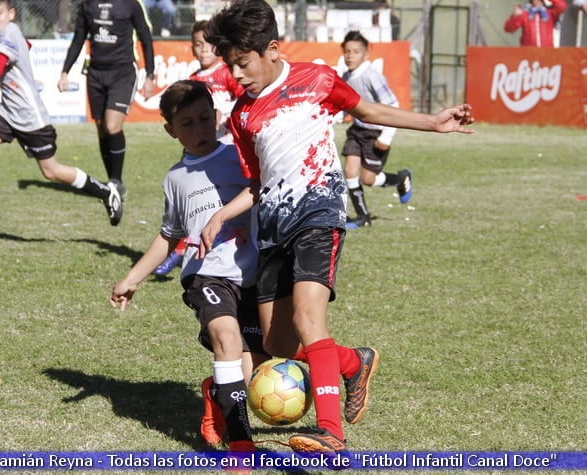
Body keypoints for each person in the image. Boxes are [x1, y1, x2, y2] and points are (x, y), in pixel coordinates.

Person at [199, 0, 474, 453]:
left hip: (318, 214)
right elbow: (258, 182)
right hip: (273, 227)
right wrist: (222, 214)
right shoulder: (242, 115)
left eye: (242, 63)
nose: (237, 75)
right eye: (230, 66)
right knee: (278, 342)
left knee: (310, 319)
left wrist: (432, 122)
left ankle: (331, 431)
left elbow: (366, 110)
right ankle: (352, 362)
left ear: (270, 49)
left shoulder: (317, 80)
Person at [110, 80, 269, 454]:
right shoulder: (175, 179)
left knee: (253, 364)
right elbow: (168, 236)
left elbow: (262, 189)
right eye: (187, 123)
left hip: (252, 274)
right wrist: (131, 278)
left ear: (216, 117)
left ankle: (216, 392)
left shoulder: (238, 157)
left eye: (204, 119)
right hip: (205, 275)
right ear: (170, 130)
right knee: (227, 340)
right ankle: (241, 444)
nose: (198, 129)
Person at [0, 0, 119, 231]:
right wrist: (25, 74)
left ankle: (106, 191)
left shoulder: (8, 33)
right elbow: (25, 46)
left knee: (52, 171)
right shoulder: (4, 33)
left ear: (11, 14)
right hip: (8, 113)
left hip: (31, 119)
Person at [153, 20, 246, 276]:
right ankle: (182, 249)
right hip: (199, 148)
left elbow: (243, 98)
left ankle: (195, 249)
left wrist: (228, 113)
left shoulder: (227, 72)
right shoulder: (192, 80)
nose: (203, 50)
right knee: (198, 202)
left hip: (225, 143)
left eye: (208, 44)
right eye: (197, 45)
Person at [57, 0, 157, 226]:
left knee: (112, 125)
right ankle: (112, 182)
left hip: (123, 72)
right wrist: (65, 71)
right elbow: (78, 38)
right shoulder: (87, 5)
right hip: (95, 74)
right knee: (102, 129)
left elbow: (145, 37)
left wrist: (150, 74)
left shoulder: (131, 4)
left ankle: (116, 180)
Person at [339, 30, 413, 229]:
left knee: (368, 178)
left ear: (366, 55)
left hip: (376, 133)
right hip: (357, 131)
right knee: (350, 170)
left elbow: (393, 104)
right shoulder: (346, 75)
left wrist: (387, 136)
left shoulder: (372, 76)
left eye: (355, 51)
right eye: (346, 51)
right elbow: (345, 104)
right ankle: (363, 217)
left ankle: (401, 178)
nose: (350, 56)